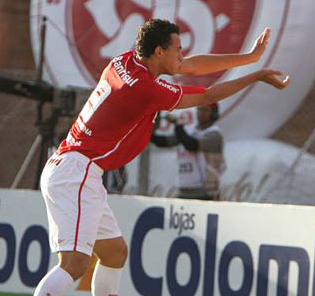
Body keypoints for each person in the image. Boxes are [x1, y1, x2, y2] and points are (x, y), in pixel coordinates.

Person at [34, 18, 289, 296]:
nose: (181, 55)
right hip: (77, 171)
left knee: (115, 253)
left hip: (76, 168)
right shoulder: (146, 89)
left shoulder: (126, 60)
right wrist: (257, 75)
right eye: (177, 48)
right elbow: (208, 95)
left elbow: (190, 65)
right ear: (158, 52)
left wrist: (250, 57)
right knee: (74, 265)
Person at [151, 102, 224, 200]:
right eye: (199, 109)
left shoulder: (215, 134)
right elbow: (163, 142)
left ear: (213, 114)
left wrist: (178, 125)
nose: (201, 113)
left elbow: (191, 145)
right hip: (185, 189)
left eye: (205, 110)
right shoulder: (189, 130)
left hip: (206, 191)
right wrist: (148, 130)